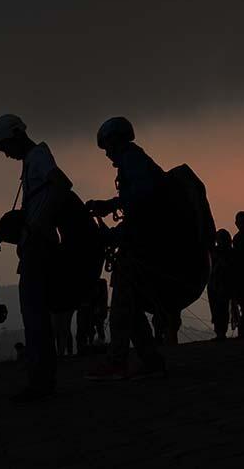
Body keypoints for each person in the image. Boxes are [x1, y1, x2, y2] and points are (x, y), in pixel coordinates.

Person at [0, 114, 71, 402]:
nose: (6, 154)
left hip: (40, 245)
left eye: (5, 147)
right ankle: (42, 379)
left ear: (16, 135)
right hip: (38, 244)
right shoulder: (33, 159)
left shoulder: (38, 156)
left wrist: (37, 224)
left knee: (34, 314)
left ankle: (40, 382)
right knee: (36, 315)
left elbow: (62, 184)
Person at [85, 117, 167, 381]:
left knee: (121, 304)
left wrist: (111, 208)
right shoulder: (134, 162)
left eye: (107, 146)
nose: (107, 153)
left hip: (141, 245)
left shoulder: (133, 161)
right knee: (130, 307)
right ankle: (150, 359)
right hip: (141, 241)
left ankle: (117, 361)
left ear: (117, 141)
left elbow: (144, 206)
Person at [207, 229, 233, 340]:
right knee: (217, 309)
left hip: (222, 285)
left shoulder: (227, 252)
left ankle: (221, 332)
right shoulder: (218, 251)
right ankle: (219, 332)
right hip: (215, 285)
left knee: (221, 308)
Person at [92, 278, 109, 345]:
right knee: (99, 326)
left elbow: (102, 298)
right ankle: (99, 342)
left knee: (99, 326)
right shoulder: (102, 282)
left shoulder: (101, 282)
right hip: (101, 310)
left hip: (100, 310)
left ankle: (100, 342)